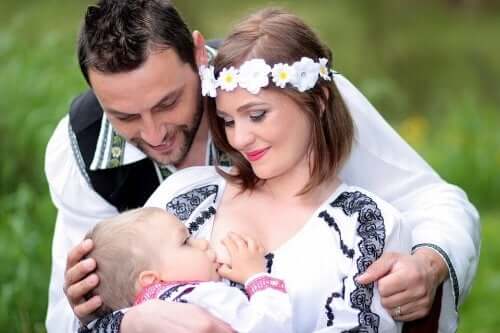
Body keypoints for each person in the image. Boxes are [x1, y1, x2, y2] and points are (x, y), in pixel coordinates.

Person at [44, 0, 479, 332]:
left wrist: (429, 263)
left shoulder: (286, 91)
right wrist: (105, 312)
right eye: (125, 117)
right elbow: (65, 315)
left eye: (168, 102)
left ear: (198, 56)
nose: (154, 132)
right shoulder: (81, 150)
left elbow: (432, 199)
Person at [82, 207, 292, 332]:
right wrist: (257, 277)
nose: (202, 243)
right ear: (151, 280)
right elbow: (269, 327)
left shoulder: (134, 321)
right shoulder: (203, 298)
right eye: (185, 241)